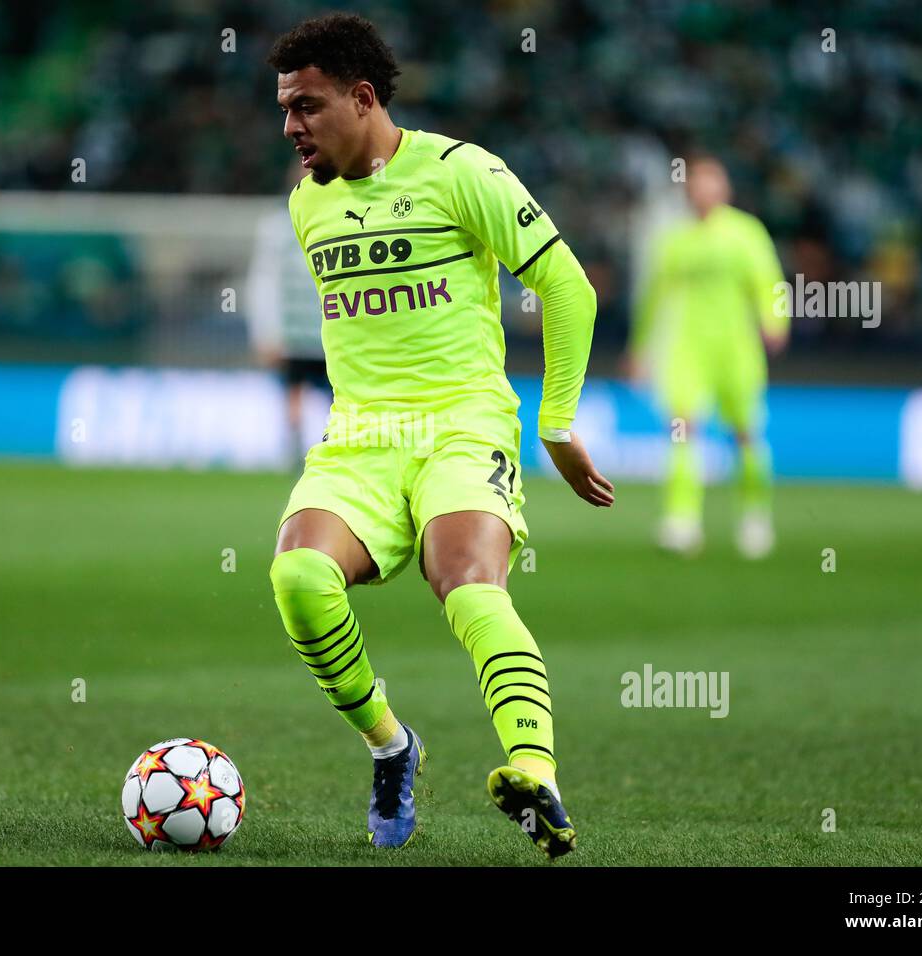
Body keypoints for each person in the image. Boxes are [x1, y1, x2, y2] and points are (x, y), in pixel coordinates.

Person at [266, 13, 612, 858]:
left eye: (307, 106)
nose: (290, 127)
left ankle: (536, 773)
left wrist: (556, 423)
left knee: (464, 581)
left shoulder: (463, 171)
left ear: (362, 96)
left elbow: (568, 289)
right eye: (283, 108)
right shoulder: (306, 203)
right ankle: (391, 746)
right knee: (301, 577)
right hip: (359, 436)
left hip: (463, 423)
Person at [624, 156, 788, 558]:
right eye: (696, 184)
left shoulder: (745, 233)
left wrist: (775, 321)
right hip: (687, 349)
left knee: (746, 435)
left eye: (710, 184)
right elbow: (654, 297)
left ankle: (754, 515)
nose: (702, 192)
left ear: (724, 190)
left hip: (736, 349)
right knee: (681, 430)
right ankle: (682, 522)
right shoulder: (675, 240)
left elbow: (770, 283)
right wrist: (640, 347)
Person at [246, 160, 333, 464]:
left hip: (333, 330)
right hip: (294, 331)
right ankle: (294, 450)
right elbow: (263, 282)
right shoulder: (276, 227)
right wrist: (266, 332)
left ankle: (335, 447)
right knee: (294, 390)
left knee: (338, 395)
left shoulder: (339, 220)